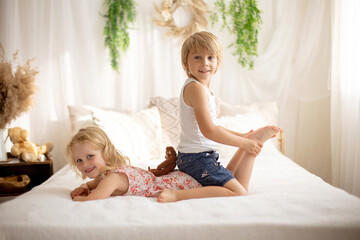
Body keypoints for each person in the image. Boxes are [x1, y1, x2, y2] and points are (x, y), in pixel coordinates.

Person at [157, 31, 281, 203]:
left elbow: (215, 126)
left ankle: (251, 139)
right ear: (186, 62)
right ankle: (176, 195)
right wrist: (244, 143)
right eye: (197, 57)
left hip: (202, 157)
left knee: (237, 182)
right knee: (239, 192)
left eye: (210, 57)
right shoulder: (195, 89)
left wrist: (243, 136)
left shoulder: (203, 89)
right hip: (196, 159)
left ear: (218, 61)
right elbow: (209, 130)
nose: (205, 63)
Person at [66, 126, 201, 202]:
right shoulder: (105, 175)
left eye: (90, 156)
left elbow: (92, 199)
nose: (85, 164)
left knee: (209, 188)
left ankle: (222, 190)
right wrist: (84, 185)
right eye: (79, 160)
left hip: (172, 185)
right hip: (163, 180)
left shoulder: (112, 178)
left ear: (105, 153)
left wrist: (78, 197)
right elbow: (93, 184)